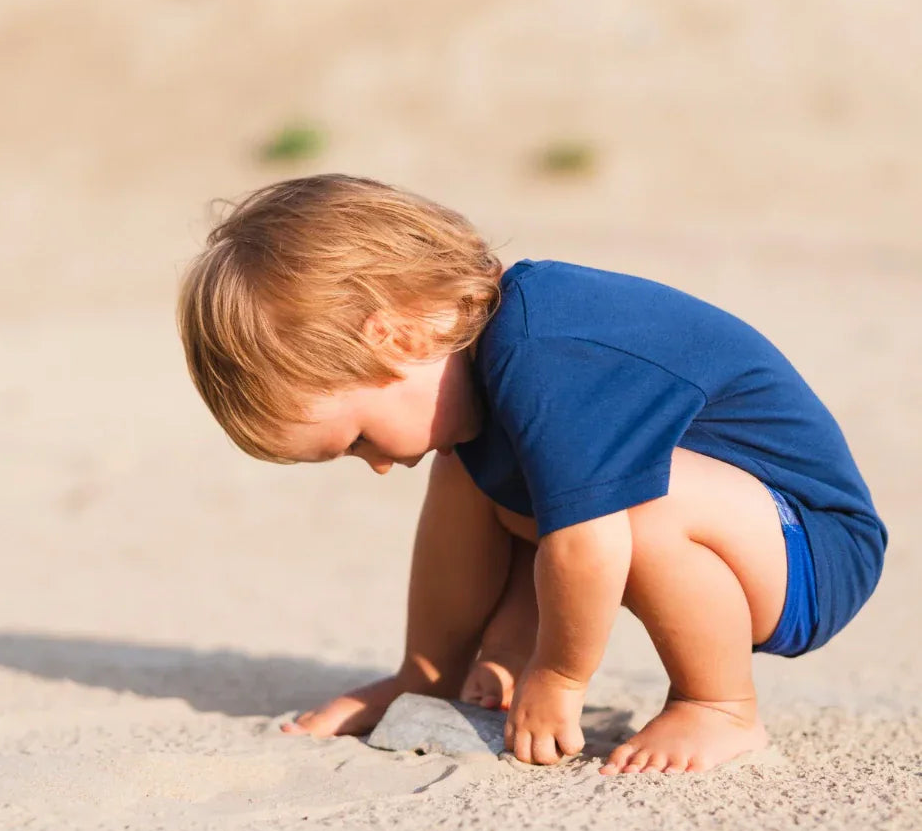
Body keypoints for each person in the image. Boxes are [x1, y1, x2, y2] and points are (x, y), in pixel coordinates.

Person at [175, 174, 887, 774]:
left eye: (360, 438)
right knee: (467, 467)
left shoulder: (542, 350)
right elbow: (538, 512)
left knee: (633, 500)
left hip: (810, 545)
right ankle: (427, 674)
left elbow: (587, 542)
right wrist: (509, 654)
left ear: (396, 336)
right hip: (727, 522)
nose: (384, 465)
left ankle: (719, 704)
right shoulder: (483, 385)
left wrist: (559, 674)